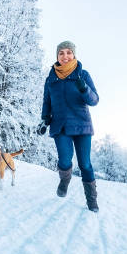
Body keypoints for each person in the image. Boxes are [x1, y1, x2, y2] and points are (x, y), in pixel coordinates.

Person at [37, 41, 100, 212]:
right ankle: (65, 180)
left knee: (85, 164)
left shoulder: (83, 75)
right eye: (61, 53)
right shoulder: (51, 79)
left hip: (82, 126)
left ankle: (92, 201)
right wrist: (44, 120)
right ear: (57, 56)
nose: (65, 56)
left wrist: (84, 88)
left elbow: (94, 100)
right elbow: (46, 102)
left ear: (74, 55)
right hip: (60, 125)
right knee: (64, 160)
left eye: (69, 52)